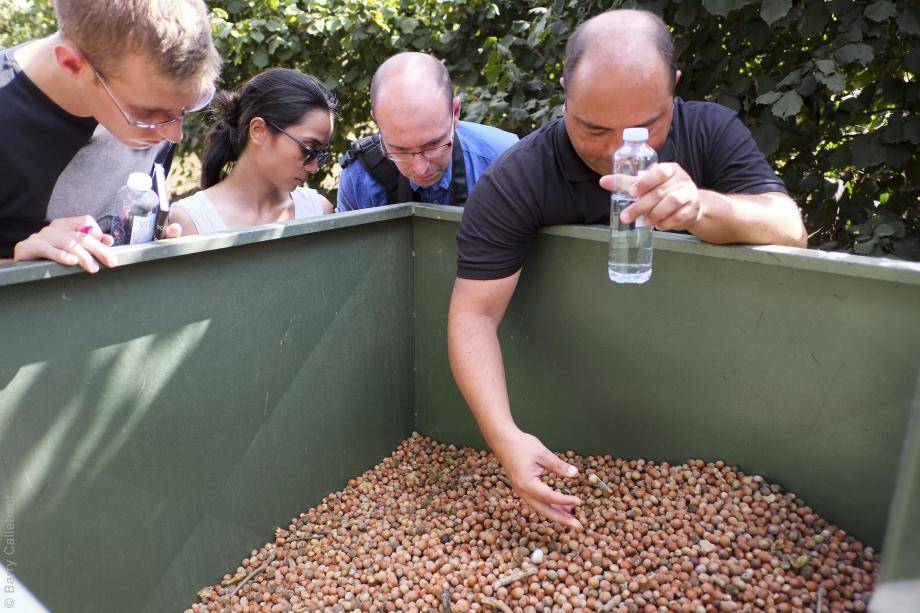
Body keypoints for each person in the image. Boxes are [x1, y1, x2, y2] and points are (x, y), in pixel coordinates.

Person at [447, 9, 808, 530]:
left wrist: (704, 209)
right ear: (565, 89)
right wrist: (505, 437)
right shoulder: (518, 179)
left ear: (674, 90)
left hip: (722, 408)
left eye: (647, 128)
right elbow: (473, 316)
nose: (620, 152)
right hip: (584, 409)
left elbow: (789, 228)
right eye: (593, 128)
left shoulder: (709, 131)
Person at [1, 0, 221, 272]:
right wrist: (15, 266)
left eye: (187, 108)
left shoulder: (149, 111)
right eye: (149, 112)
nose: (173, 135)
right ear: (72, 64)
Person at [336, 52, 518, 211]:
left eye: (433, 145)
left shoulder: (508, 160)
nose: (420, 170)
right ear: (377, 121)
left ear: (455, 112)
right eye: (400, 150)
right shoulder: (358, 177)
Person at [169, 69, 335, 235]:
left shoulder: (318, 211)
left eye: (320, 155)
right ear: (258, 130)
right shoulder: (191, 221)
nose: (314, 168)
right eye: (308, 150)